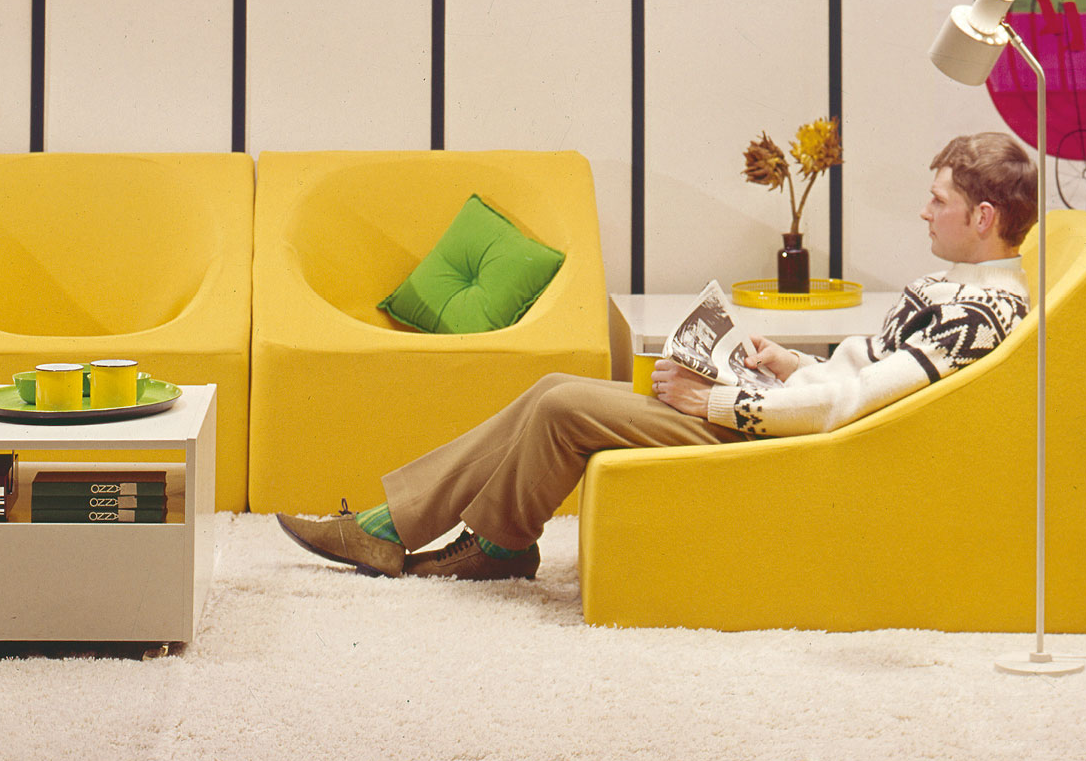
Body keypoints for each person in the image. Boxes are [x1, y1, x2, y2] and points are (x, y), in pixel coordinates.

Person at [276, 132, 1036, 581]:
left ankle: (442, 536)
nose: (924, 211)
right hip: (777, 412)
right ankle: (454, 535)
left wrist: (711, 399)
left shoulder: (976, 313)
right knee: (554, 389)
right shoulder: (962, 292)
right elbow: (856, 379)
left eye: (939, 200)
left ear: (983, 217)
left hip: (784, 440)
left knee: (561, 402)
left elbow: (846, 409)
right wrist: (778, 362)